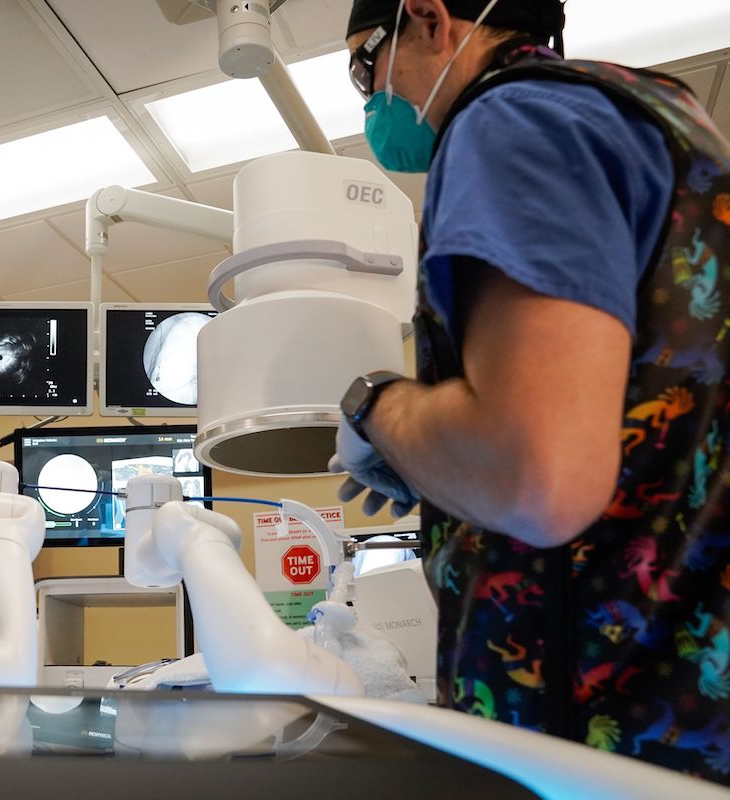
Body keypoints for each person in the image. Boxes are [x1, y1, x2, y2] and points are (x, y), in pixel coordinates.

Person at [330, 0, 730, 782]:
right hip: (686, 718)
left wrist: (376, 405)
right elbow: (635, 430)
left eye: (363, 66)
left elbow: (536, 479)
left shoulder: (510, 120)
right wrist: (438, 467)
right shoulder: (671, 121)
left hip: (592, 745)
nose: (371, 98)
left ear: (429, 19)